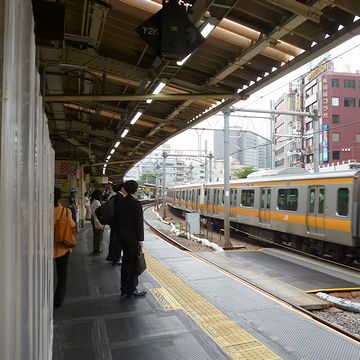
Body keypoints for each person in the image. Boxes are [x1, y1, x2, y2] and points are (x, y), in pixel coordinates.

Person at [116, 180, 146, 297]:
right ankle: (132, 288)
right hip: (133, 239)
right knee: (133, 264)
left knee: (125, 263)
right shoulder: (136, 204)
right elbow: (138, 223)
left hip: (122, 238)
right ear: (136, 189)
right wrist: (140, 240)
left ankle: (123, 287)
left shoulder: (120, 202)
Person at [54, 187, 76, 308]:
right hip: (62, 247)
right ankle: (58, 299)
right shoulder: (65, 211)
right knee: (62, 274)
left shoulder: (41, 211)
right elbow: (72, 225)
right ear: (59, 197)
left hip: (43, 249)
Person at [106, 183, 126, 266]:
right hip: (118, 224)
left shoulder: (114, 196)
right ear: (122, 188)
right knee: (118, 241)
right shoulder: (120, 197)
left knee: (113, 240)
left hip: (114, 222)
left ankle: (112, 256)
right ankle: (116, 258)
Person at [90, 188, 104, 254]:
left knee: (96, 235)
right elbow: (100, 211)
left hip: (93, 218)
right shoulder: (97, 202)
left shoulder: (93, 201)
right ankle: (97, 249)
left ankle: (96, 249)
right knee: (98, 235)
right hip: (97, 219)